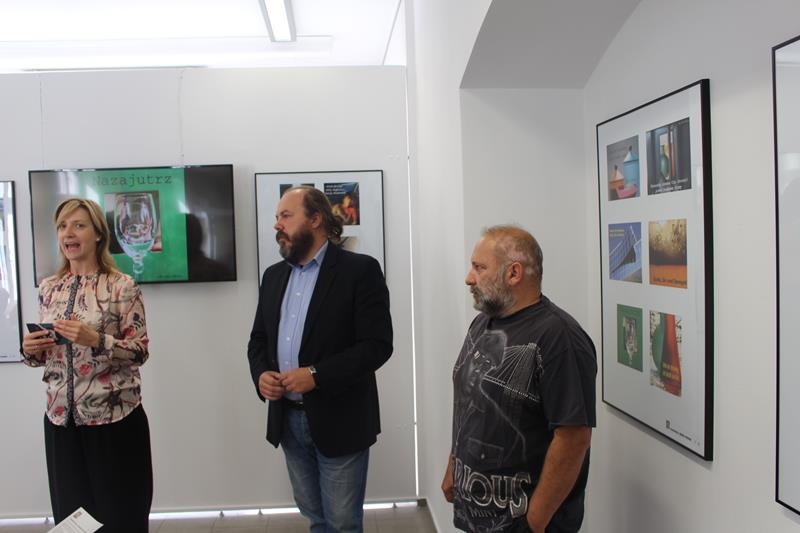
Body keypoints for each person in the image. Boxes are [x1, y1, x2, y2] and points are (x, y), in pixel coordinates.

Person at [247, 186, 393, 533]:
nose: (277, 225)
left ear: (315, 219)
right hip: (287, 419)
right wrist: (262, 375)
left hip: (341, 418)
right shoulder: (273, 276)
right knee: (314, 515)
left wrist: (316, 374)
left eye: (286, 216)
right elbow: (258, 341)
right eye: (276, 217)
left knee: (342, 522)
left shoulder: (360, 271)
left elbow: (377, 345)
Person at [442, 225, 596, 533]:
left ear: (514, 273)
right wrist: (453, 465)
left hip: (524, 522)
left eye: (479, 268)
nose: (469, 278)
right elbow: (467, 403)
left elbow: (573, 437)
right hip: (478, 513)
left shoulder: (560, 338)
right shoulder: (483, 323)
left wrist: (534, 521)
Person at [20, 198, 152, 532]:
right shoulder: (49, 288)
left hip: (114, 423)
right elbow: (46, 358)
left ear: (97, 234)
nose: (69, 233)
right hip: (61, 424)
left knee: (121, 519)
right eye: (63, 226)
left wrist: (96, 339)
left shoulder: (122, 286)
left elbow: (139, 352)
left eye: (78, 225)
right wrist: (31, 350)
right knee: (73, 523)